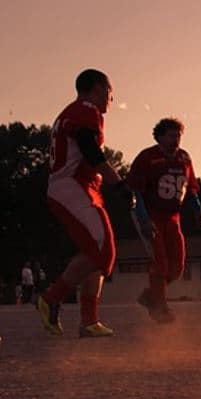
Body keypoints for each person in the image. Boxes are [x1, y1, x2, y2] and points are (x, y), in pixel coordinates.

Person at [38, 69, 133, 338]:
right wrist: (119, 183)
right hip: (72, 185)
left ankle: (89, 320)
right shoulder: (86, 109)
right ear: (100, 88)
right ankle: (51, 298)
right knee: (103, 249)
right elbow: (91, 151)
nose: (111, 100)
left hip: (82, 187)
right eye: (110, 93)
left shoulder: (73, 112)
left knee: (97, 254)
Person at [127, 118, 201, 323]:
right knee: (160, 263)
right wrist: (144, 218)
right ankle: (159, 308)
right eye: (171, 135)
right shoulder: (147, 158)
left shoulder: (184, 158)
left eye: (178, 135)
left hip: (173, 217)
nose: (176, 140)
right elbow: (136, 192)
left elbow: (190, 189)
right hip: (151, 215)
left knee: (177, 266)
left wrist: (198, 210)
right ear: (159, 136)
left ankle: (151, 296)